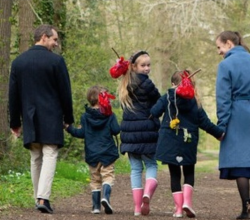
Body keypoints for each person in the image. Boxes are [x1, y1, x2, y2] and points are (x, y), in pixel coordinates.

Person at [8, 24, 74, 214]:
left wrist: (15, 122)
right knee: (50, 153)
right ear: (44, 37)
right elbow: (65, 93)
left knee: (35, 156)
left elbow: (13, 96)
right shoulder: (56, 62)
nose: (56, 43)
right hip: (52, 116)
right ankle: (43, 198)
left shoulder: (18, 62)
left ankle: (39, 196)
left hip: (29, 116)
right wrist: (68, 118)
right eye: (54, 39)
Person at [150, 70, 224, 218]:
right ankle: (187, 203)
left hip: (170, 141)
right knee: (189, 172)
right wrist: (219, 134)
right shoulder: (194, 102)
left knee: (175, 174)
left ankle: (178, 209)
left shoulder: (168, 98)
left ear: (173, 84)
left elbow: (154, 111)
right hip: (188, 140)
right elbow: (205, 123)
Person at [214, 30, 250, 219]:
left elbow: (223, 99)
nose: (219, 52)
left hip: (239, 114)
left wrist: (221, 125)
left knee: (240, 164)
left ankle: (246, 210)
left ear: (229, 43)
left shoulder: (226, 65)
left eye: (219, 47)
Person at [116, 50, 161, 216]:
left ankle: (136, 207)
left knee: (135, 169)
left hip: (129, 133)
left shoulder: (124, 84)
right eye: (143, 65)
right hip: (147, 131)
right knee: (151, 164)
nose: (147, 68)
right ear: (134, 67)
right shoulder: (147, 84)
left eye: (149, 65)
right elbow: (158, 100)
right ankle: (147, 194)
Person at [65, 85, 120, 215]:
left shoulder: (85, 116)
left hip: (92, 154)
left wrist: (68, 128)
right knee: (108, 177)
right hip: (107, 153)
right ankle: (105, 198)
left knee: (95, 180)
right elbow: (116, 130)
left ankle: (95, 207)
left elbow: (80, 133)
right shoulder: (110, 115)